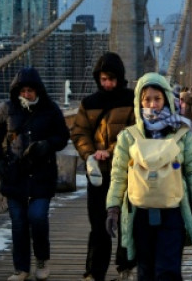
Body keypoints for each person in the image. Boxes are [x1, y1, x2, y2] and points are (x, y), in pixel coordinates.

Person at [106, 72, 192, 280]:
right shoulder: (128, 137)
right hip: (140, 213)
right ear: (139, 102)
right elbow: (118, 175)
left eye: (157, 99)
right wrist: (113, 208)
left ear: (167, 99)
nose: (152, 105)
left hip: (173, 212)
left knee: (168, 271)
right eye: (147, 99)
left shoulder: (183, 134)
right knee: (146, 271)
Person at [0, 66, 70, 281]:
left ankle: (42, 259)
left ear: (38, 90)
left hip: (42, 175)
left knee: (37, 217)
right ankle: (21, 269)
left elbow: (62, 137)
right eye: (23, 90)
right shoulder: (7, 109)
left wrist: (47, 145)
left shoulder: (51, 109)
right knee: (19, 223)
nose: (26, 94)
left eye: (30, 90)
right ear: (17, 91)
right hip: (15, 175)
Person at [70, 52, 137, 281]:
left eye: (111, 78)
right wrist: (90, 154)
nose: (107, 83)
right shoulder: (88, 103)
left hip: (127, 172)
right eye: (103, 79)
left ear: (119, 77)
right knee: (98, 224)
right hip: (98, 173)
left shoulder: (132, 99)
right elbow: (79, 132)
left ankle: (125, 268)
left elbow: (135, 132)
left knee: (126, 222)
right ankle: (94, 272)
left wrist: (108, 151)